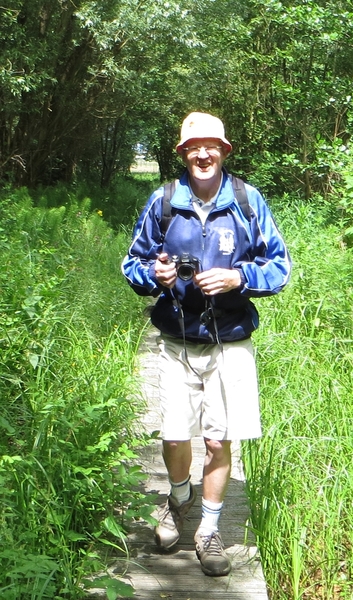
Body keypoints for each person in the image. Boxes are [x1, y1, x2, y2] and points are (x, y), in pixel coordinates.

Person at [122, 112, 291, 577]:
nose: (202, 153)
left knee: (218, 439)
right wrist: (152, 275)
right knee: (175, 433)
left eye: (210, 145)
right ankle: (179, 498)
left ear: (224, 151)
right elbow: (131, 263)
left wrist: (240, 276)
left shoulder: (247, 200)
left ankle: (209, 529)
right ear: (181, 154)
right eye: (193, 146)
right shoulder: (162, 202)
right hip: (176, 337)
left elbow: (280, 267)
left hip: (231, 339)